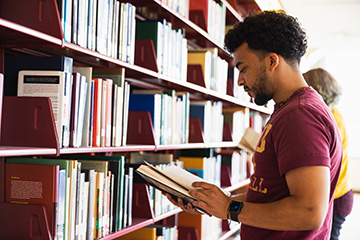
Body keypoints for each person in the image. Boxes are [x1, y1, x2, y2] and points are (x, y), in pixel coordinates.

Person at [165, 10, 343, 239]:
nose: (239, 80)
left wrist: (230, 209)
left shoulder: (299, 115)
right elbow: (272, 194)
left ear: (271, 61)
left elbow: (308, 211)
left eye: (243, 68)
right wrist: (214, 202)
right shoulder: (290, 109)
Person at [303, 68, 354, 240]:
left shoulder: (332, 117)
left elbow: (323, 156)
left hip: (337, 196)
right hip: (337, 194)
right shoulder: (332, 114)